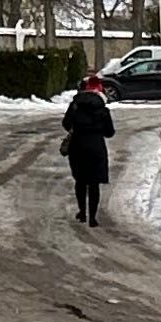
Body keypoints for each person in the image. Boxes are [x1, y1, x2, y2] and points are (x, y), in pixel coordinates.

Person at [60, 73, 115, 226]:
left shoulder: (76, 105)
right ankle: (92, 218)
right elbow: (110, 132)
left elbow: (66, 124)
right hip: (96, 147)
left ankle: (82, 212)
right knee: (94, 183)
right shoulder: (103, 110)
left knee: (81, 181)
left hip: (78, 146)